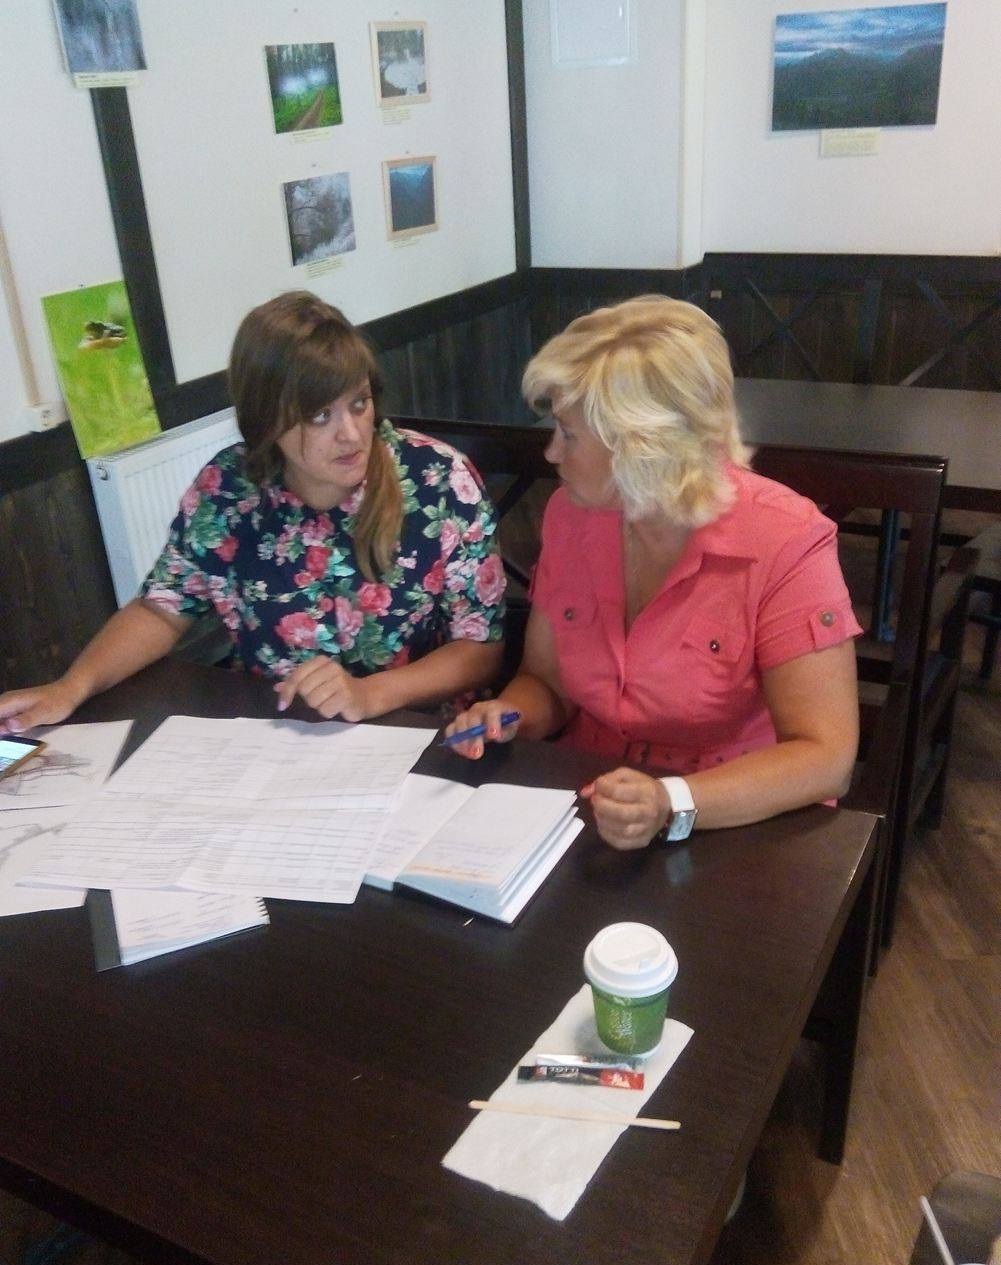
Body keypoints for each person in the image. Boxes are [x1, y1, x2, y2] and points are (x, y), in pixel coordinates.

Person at [446, 295, 861, 849]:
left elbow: (826, 758)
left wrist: (671, 801)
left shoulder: (786, 540)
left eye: (568, 434)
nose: (551, 453)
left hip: (734, 814)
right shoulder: (571, 514)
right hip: (585, 796)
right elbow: (547, 683)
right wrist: (508, 714)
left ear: (642, 449)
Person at [0, 292, 505, 730]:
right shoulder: (229, 488)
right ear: (267, 421)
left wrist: (370, 694)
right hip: (275, 737)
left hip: (415, 731)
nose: (351, 434)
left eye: (359, 403)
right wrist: (73, 686)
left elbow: (480, 649)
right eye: (320, 415)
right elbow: (162, 608)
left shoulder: (438, 480)